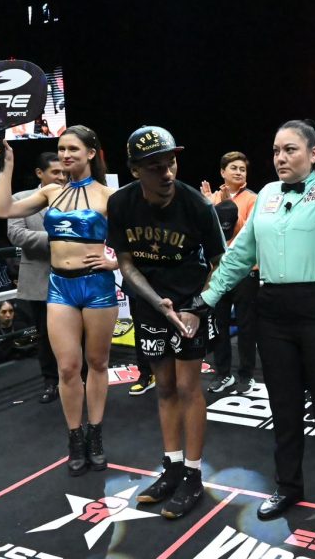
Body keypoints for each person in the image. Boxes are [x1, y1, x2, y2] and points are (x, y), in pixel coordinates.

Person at [192, 36, 315, 541]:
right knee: (283, 410)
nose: (280, 157)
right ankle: (288, 487)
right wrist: (205, 300)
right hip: (274, 313)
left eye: (290, 149)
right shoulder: (264, 197)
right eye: (276, 150)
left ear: (314, 153)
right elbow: (240, 255)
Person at [108, 126, 227, 520]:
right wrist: (155, 302)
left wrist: (197, 307)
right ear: (135, 170)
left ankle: (193, 474)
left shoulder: (197, 204)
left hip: (191, 304)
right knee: (164, 387)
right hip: (151, 305)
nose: (167, 173)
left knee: (189, 387)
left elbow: (220, 264)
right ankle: (172, 467)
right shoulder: (121, 203)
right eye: (155, 167)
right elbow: (125, 262)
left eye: (171, 163)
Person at [0, 125, 119, 477]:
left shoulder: (109, 196)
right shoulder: (50, 191)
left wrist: (115, 262)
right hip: (60, 286)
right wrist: (7, 166)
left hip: (97, 286)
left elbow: (133, 239)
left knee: (97, 363)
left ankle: (95, 435)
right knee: (66, 368)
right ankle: (75, 439)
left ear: (90, 153)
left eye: (73, 149)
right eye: (61, 149)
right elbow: (4, 209)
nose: (65, 155)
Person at [8, 152, 69, 404]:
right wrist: (57, 238)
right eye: (56, 172)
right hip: (40, 275)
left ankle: (81, 377)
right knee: (46, 334)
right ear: (39, 173)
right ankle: (51, 382)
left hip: (74, 275)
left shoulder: (75, 196)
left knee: (79, 331)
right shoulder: (21, 199)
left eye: (64, 172)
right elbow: (16, 234)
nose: (61, 177)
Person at [200, 152, 260, 395]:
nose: (238, 172)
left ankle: (246, 374)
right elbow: (206, 233)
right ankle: (223, 373)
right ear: (222, 172)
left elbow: (248, 234)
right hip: (217, 271)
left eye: (242, 169)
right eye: (233, 168)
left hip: (246, 271)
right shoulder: (211, 198)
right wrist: (210, 206)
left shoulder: (253, 199)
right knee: (218, 325)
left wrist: (227, 208)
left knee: (246, 326)